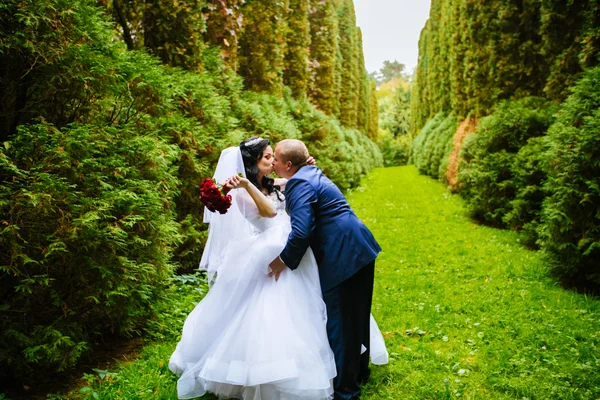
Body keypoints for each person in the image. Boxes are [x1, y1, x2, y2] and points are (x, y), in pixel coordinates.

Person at [169, 137, 387, 400]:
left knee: (334, 313)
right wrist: (249, 185)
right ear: (253, 163)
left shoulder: (285, 181)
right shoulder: (242, 191)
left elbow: (293, 183)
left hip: (296, 249)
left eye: (275, 157)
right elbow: (271, 212)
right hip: (274, 248)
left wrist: (304, 166)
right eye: (267, 158)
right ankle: (322, 375)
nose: (272, 163)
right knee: (278, 313)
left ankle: (349, 375)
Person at [269, 139, 383, 400]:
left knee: (340, 324)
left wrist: (281, 261)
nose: (272, 162)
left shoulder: (299, 182)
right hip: (360, 246)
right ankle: (358, 373)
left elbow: (301, 233)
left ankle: (346, 391)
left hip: (342, 254)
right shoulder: (308, 173)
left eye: (275, 157)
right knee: (357, 316)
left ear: (288, 164)